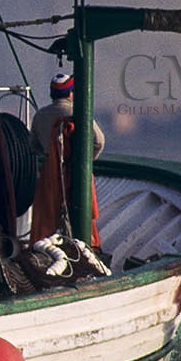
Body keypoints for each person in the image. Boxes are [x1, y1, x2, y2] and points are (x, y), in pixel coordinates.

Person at [30, 71, 103, 245]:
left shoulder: (40, 116)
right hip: (76, 175)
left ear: (52, 94)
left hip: (49, 177)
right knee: (80, 216)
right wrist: (86, 162)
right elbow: (99, 141)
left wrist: (49, 158)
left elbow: (33, 146)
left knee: (49, 218)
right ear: (71, 93)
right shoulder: (79, 113)